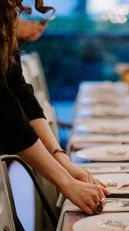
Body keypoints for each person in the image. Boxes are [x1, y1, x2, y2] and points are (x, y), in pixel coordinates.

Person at [0, 0, 109, 215]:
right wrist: (65, 182)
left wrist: (61, 158)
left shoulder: (7, 12)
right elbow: (5, 110)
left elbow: (19, 91)